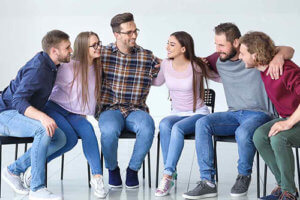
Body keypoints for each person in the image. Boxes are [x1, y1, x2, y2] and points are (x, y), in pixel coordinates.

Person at [182, 23, 295, 199]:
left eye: (221, 45)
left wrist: (279, 56)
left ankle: (244, 176)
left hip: (261, 114)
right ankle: (207, 182)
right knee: (203, 122)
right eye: (216, 45)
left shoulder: (257, 58)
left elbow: (286, 50)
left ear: (236, 42)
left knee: (244, 132)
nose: (217, 49)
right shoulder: (220, 59)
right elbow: (196, 62)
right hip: (234, 113)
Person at [22, 32, 107, 198]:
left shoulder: (97, 66)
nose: (98, 47)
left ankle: (97, 177)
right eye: (94, 45)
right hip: (54, 107)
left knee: (88, 130)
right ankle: (33, 166)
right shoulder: (68, 66)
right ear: (83, 47)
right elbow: (44, 80)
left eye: (99, 43)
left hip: (74, 113)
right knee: (69, 139)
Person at [0, 30, 72, 200]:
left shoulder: (51, 65)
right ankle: (37, 188)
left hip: (16, 112)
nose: (71, 50)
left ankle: (14, 170)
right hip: (5, 113)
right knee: (43, 128)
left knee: (61, 138)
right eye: (67, 47)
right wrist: (42, 117)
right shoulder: (39, 68)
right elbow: (18, 100)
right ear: (54, 51)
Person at [96, 12, 160, 189]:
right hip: (110, 109)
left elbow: (169, 68)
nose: (134, 35)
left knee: (148, 127)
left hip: (136, 110)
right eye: (129, 32)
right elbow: (78, 65)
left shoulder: (146, 56)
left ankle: (133, 170)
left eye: (135, 30)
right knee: (108, 131)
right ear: (117, 35)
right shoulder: (102, 54)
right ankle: (113, 169)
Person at [152, 31, 220, 196]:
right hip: (177, 112)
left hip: (198, 114)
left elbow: (218, 77)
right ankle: (172, 172)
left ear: (184, 48)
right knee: (164, 124)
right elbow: (156, 81)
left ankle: (167, 175)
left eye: (172, 44)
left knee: (177, 129)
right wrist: (144, 67)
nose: (167, 47)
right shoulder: (166, 65)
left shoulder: (196, 66)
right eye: (167, 43)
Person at [239, 31, 300, 200]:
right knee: (259, 135)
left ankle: (290, 194)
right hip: (292, 118)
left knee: (279, 138)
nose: (240, 57)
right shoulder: (265, 66)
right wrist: (279, 54)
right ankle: (283, 186)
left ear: (256, 55)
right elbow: (279, 49)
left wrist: (287, 124)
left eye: (243, 53)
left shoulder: (285, 70)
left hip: (295, 119)